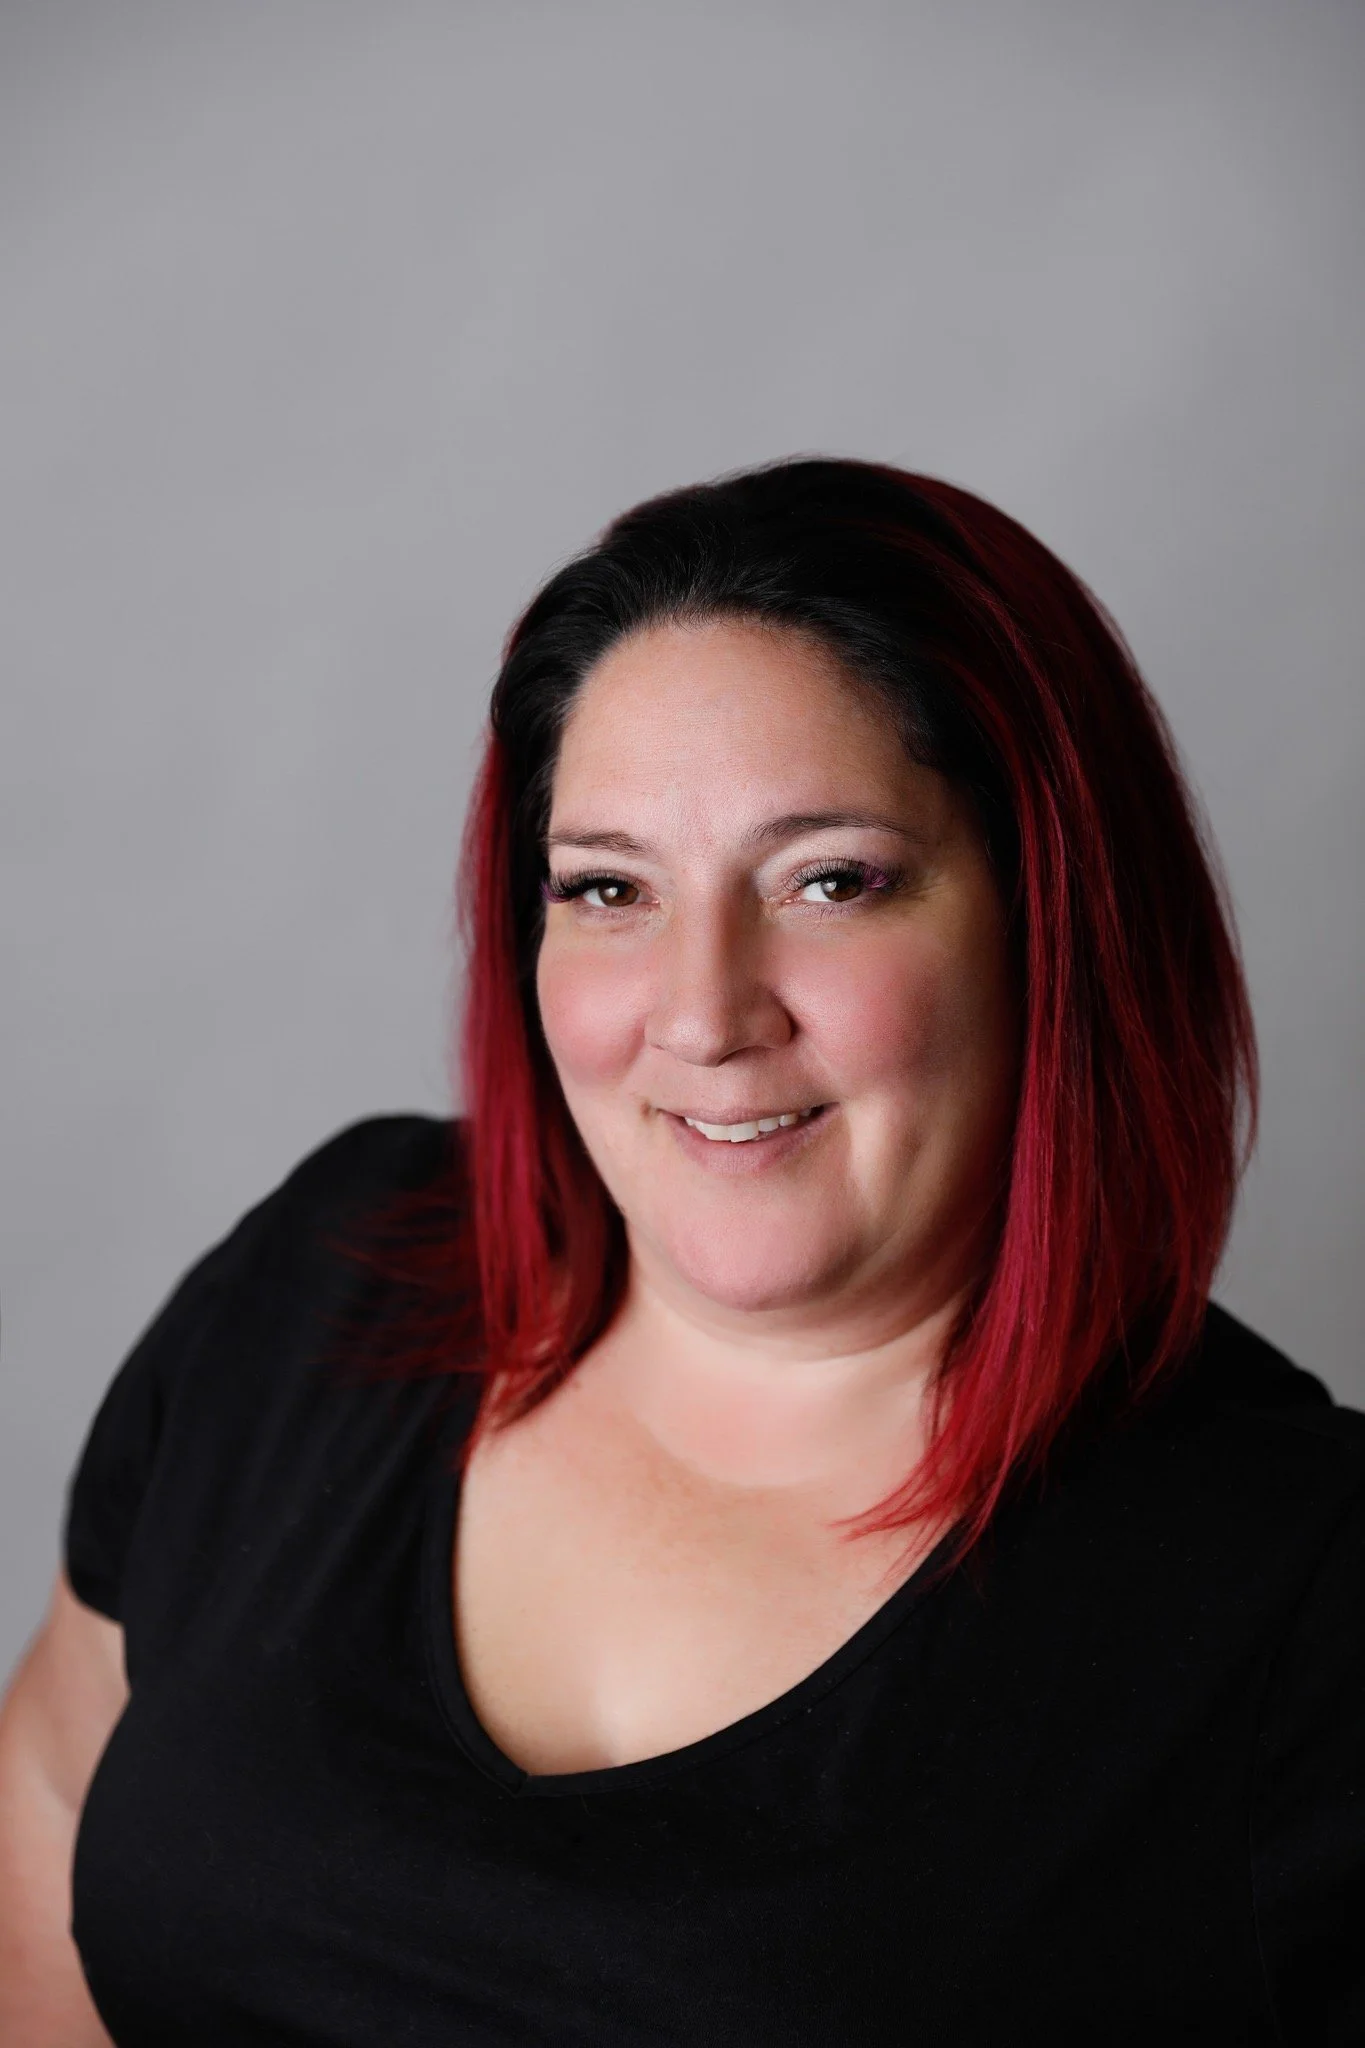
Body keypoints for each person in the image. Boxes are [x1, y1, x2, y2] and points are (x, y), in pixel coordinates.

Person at [1, 458, 1360, 2046]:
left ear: (1053, 923)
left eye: (831, 881)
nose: (706, 1015)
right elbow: (46, 1789)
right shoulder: (330, 1270)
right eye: (610, 889)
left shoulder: (1305, 1597)